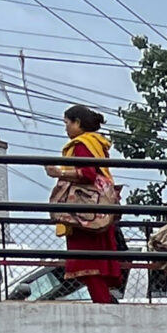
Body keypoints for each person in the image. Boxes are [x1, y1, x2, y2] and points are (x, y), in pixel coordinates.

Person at [50, 104, 127, 303]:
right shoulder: (96, 143)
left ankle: (104, 304)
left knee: (88, 265)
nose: (65, 128)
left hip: (84, 215)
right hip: (96, 211)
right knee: (95, 265)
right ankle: (105, 301)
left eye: (67, 123)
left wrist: (59, 172)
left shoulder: (82, 144)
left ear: (78, 123)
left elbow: (88, 173)